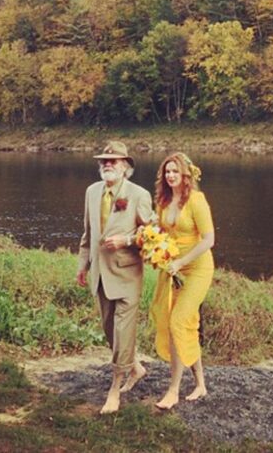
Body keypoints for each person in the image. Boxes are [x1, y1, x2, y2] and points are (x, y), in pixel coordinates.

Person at [76, 141, 153, 414]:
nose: (107, 164)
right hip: (100, 273)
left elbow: (152, 232)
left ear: (126, 167)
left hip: (127, 273)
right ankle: (135, 368)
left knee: (123, 331)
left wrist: (127, 239)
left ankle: (115, 389)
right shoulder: (91, 192)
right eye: (104, 160)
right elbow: (87, 233)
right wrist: (82, 265)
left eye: (114, 161)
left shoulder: (139, 194)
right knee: (110, 329)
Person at [150, 152, 215, 409]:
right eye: (167, 172)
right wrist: (153, 248)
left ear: (185, 174)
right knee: (179, 324)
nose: (171, 175)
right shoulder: (164, 201)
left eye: (175, 171)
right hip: (173, 270)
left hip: (197, 268)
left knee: (179, 321)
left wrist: (181, 261)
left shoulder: (197, 200)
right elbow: (160, 235)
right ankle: (200, 384)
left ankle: (173, 390)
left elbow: (209, 240)